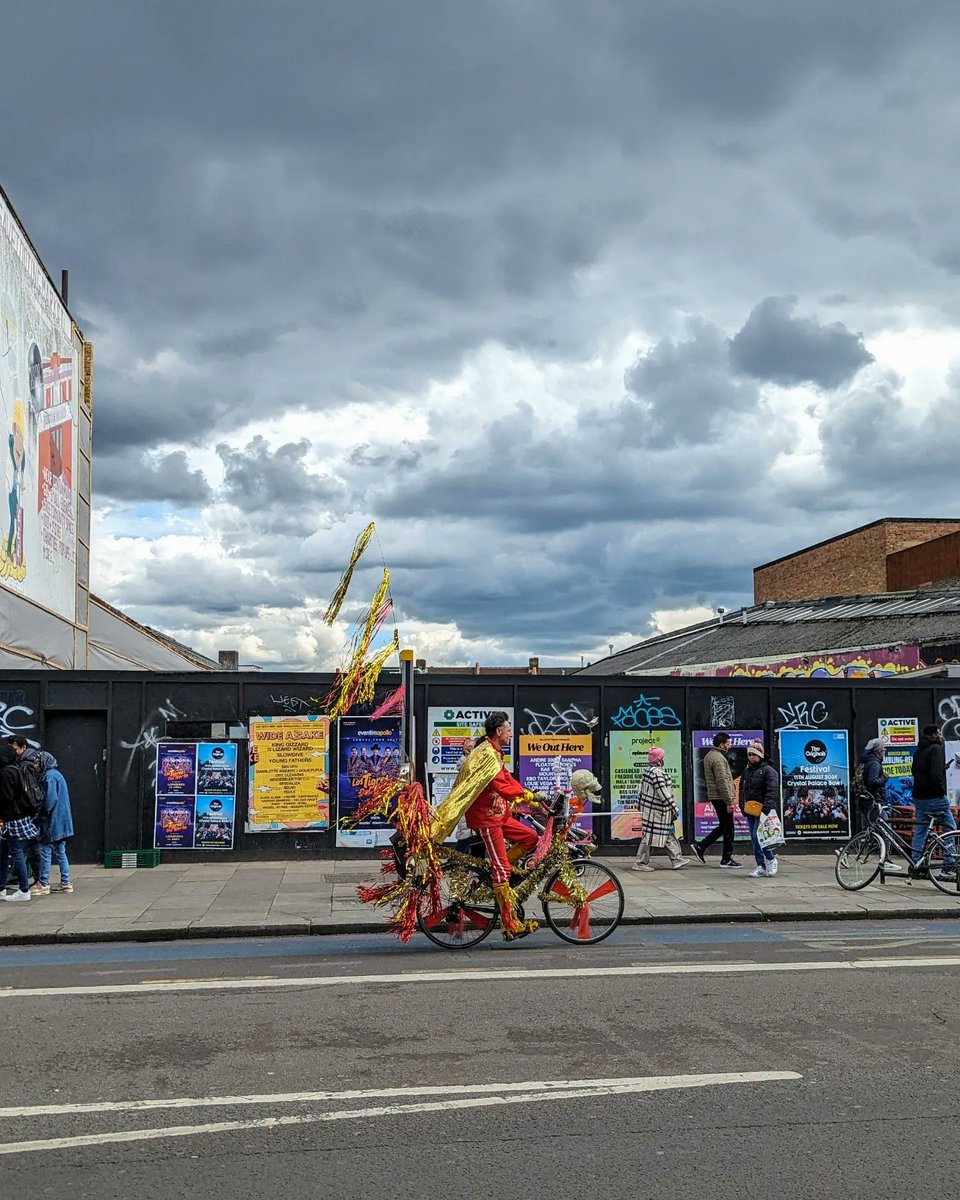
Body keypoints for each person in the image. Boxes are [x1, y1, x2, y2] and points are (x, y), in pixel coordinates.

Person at [429, 711, 539, 940]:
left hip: (500, 815)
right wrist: (526, 795)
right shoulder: (487, 754)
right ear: (499, 731)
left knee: (531, 838)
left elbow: (508, 780)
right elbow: (501, 786)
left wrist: (530, 796)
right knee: (503, 870)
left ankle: (497, 873)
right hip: (487, 819)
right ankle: (509, 925)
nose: (510, 734)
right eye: (508, 730)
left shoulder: (496, 753)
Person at [911, 724, 957, 881]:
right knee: (950, 828)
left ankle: (915, 864)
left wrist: (941, 769)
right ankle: (948, 866)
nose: (941, 736)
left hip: (919, 797)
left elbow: (916, 771)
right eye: (939, 733)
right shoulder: (936, 749)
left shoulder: (919, 750)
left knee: (920, 831)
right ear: (933, 735)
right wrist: (940, 791)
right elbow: (935, 776)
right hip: (934, 797)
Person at [632, 746, 689, 871]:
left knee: (664, 833)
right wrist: (674, 807)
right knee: (650, 835)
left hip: (652, 809)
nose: (664, 759)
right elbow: (663, 792)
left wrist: (639, 803)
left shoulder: (648, 771)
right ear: (659, 759)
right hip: (657, 811)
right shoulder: (657, 773)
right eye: (662, 757)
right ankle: (640, 862)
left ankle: (676, 859)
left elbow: (641, 790)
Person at [692, 733, 742, 869]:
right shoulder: (718, 758)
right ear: (721, 744)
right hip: (721, 797)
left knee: (724, 826)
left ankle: (701, 846)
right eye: (728, 743)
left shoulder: (710, 755)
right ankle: (726, 858)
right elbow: (722, 781)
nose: (729, 745)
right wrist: (729, 801)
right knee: (729, 828)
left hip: (716, 796)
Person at [0, 740, 39, 901]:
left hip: (12, 818)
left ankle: (24, 890)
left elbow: (6, 797)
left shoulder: (6, 773)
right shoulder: (16, 769)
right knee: (4, 852)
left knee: (16, 852)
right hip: (19, 816)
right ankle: (2, 887)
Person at [32, 766, 74, 895]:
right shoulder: (56, 774)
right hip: (62, 821)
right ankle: (66, 883)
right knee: (61, 852)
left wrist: (41, 813)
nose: (35, 766)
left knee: (45, 850)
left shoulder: (48, 777)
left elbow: (50, 801)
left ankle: (43, 883)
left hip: (52, 822)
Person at [740, 740, 779, 878]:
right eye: (749, 755)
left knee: (759, 837)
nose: (751, 757)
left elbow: (772, 791)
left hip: (763, 809)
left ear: (760, 756)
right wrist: (742, 806)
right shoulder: (747, 771)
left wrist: (766, 809)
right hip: (750, 809)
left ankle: (770, 859)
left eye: (754, 755)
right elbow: (742, 790)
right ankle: (761, 865)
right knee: (754, 837)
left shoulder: (768, 771)